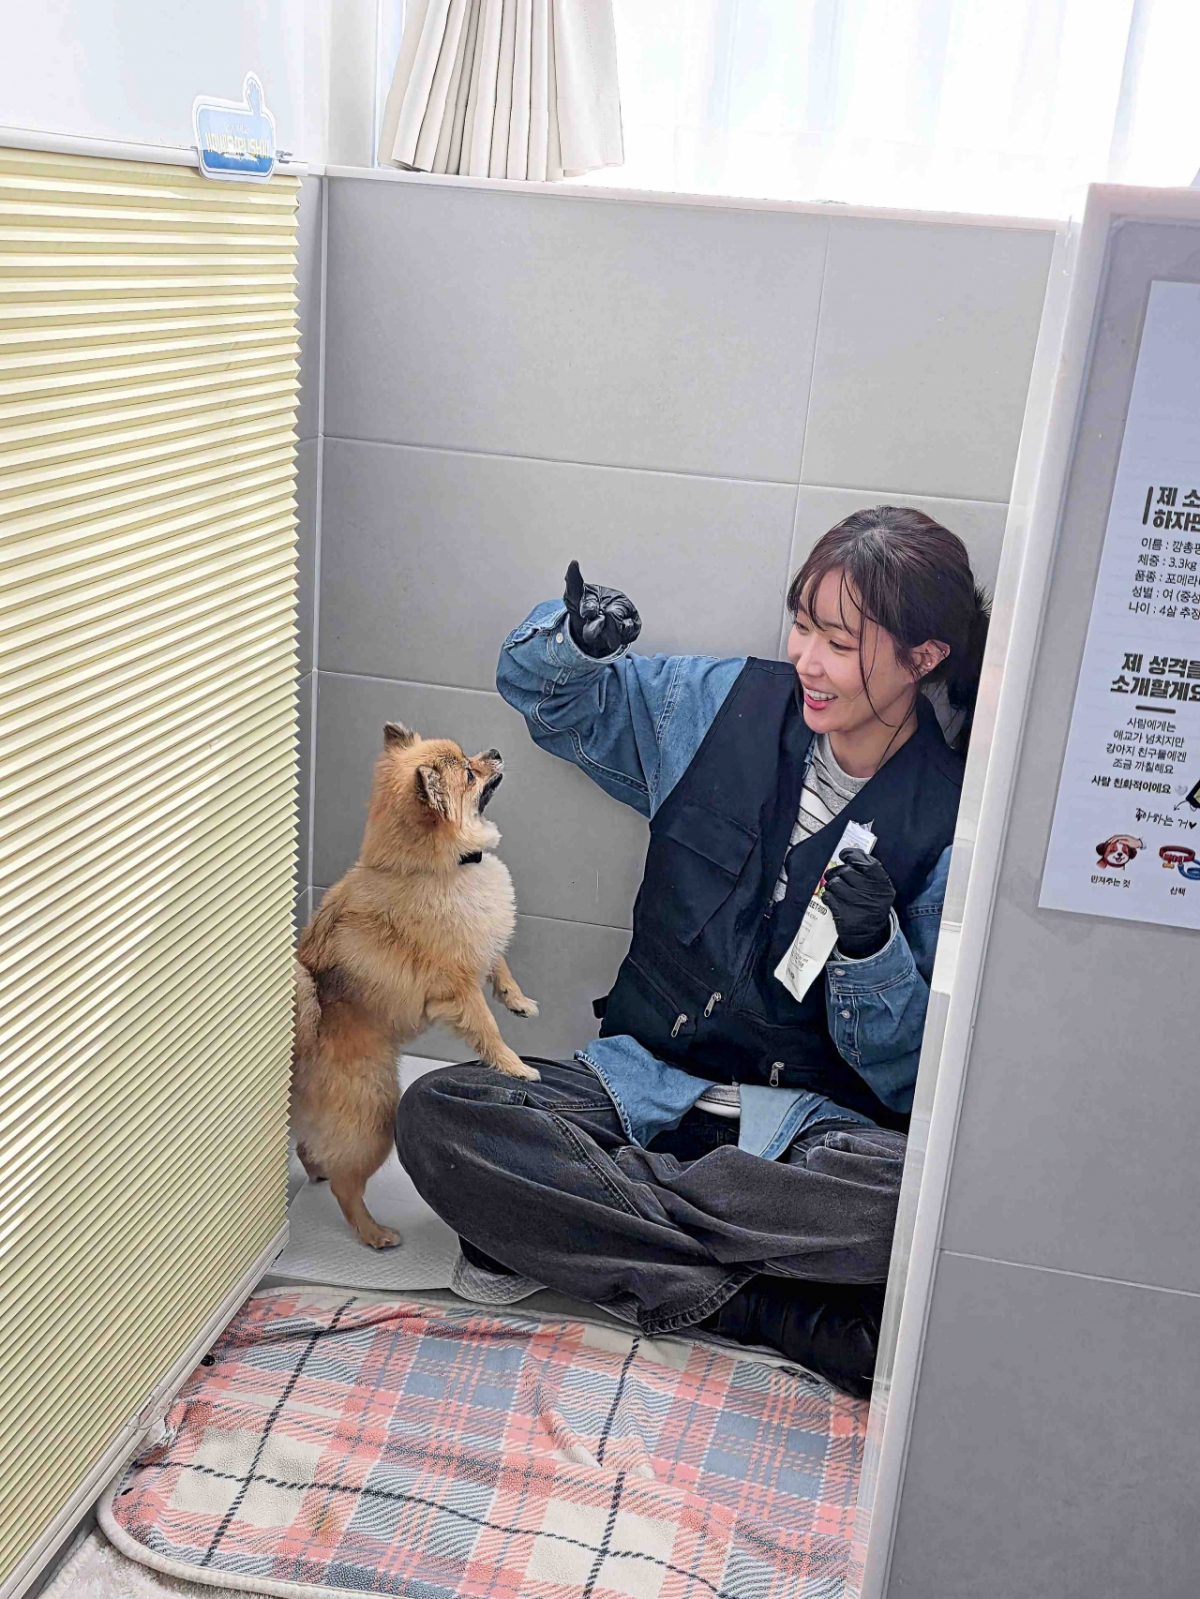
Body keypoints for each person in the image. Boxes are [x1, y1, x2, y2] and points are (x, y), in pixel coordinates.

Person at [397, 506, 989, 1396]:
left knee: (916, 1203)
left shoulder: (954, 822)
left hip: (804, 1133)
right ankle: (769, 1308)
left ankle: (570, 1220)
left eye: (839, 642)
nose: (806, 659)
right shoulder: (715, 704)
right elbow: (547, 699)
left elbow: (915, 1082)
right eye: (801, 625)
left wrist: (873, 950)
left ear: (923, 657)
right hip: (637, 1087)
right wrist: (577, 644)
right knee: (439, 1113)